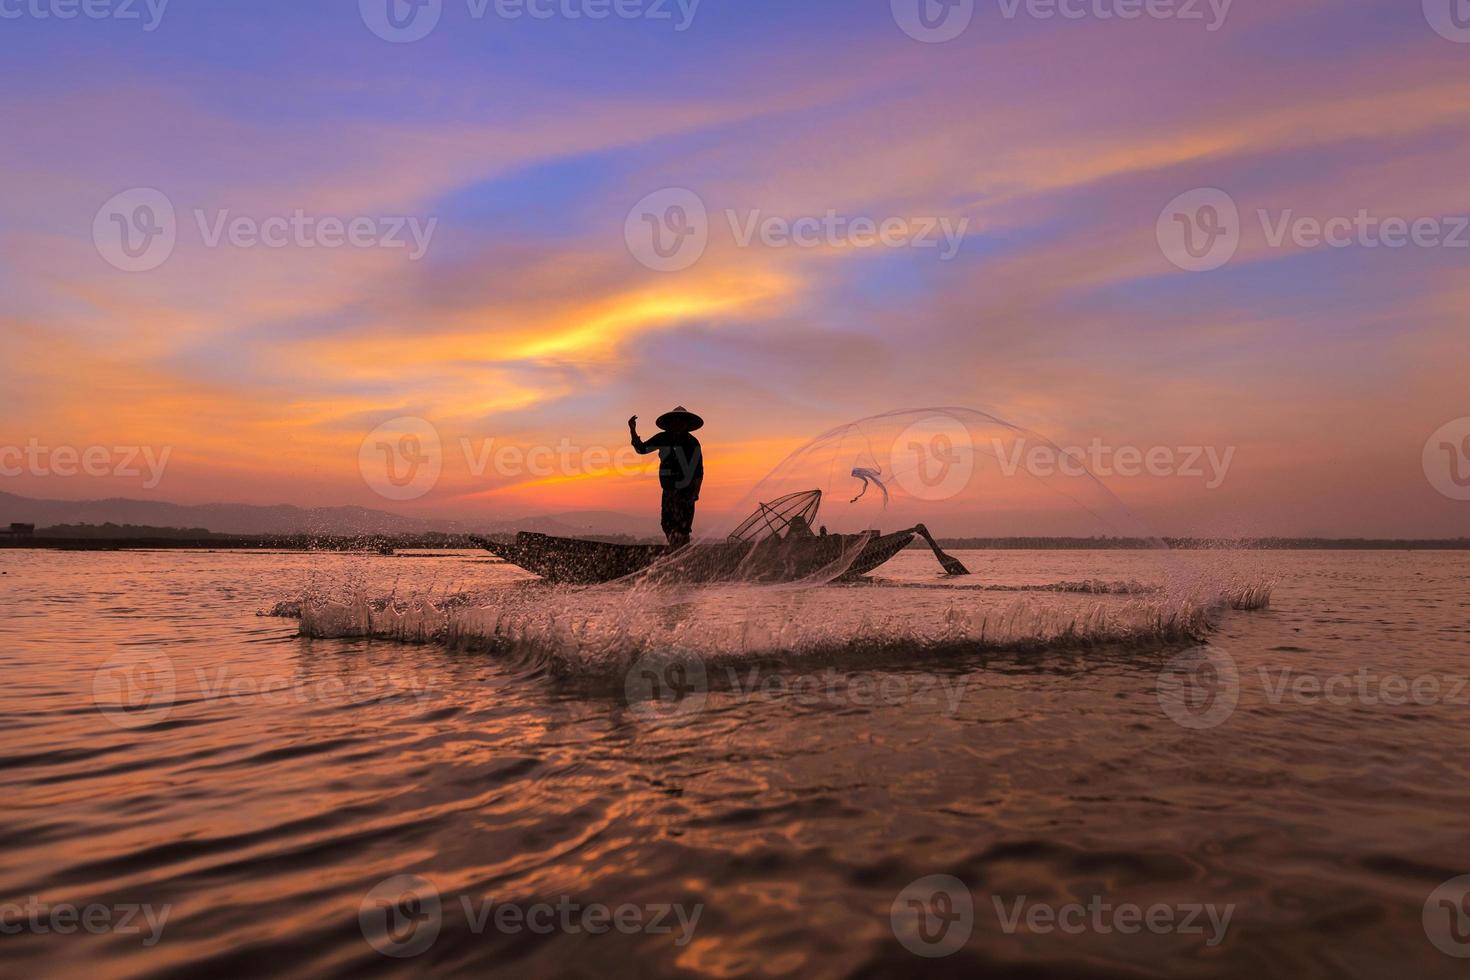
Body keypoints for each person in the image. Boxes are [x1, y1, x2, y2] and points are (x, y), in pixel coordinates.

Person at [629, 407, 704, 547]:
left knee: (683, 528)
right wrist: (632, 430)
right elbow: (641, 449)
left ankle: (682, 554)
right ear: (670, 423)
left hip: (686, 492)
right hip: (669, 490)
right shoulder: (663, 437)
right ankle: (676, 549)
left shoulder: (692, 443)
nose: (678, 424)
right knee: (667, 524)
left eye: (681, 421)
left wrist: (695, 493)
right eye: (675, 421)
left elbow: (699, 471)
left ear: (687, 424)